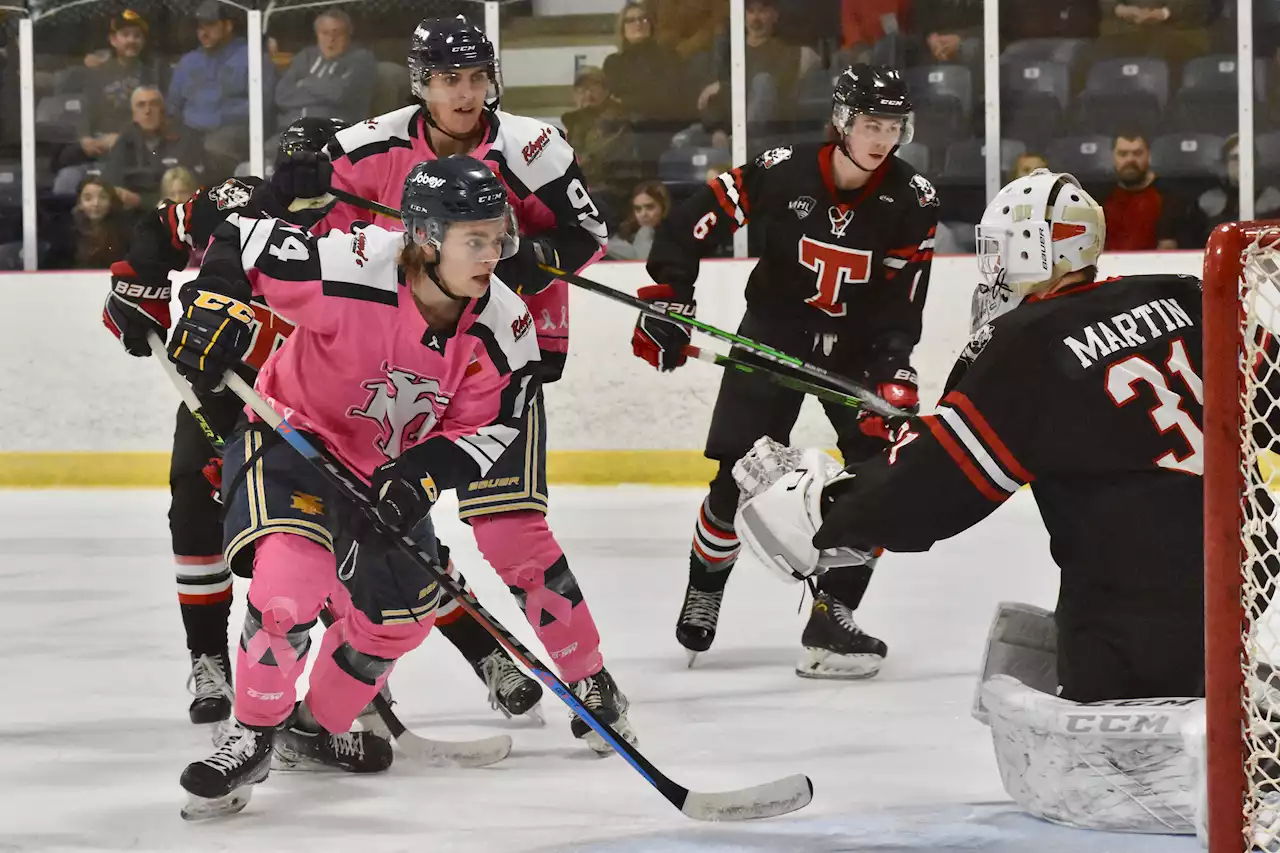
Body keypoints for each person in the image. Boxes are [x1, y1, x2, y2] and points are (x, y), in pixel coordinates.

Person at [733, 168, 1207, 833]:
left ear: (1045, 249)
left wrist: (830, 502)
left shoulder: (1030, 340)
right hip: (1252, 596)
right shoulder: (1186, 293)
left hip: (1134, 630)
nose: (993, 268)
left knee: (1091, 735)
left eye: (1006, 248)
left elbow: (935, 492)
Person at [285, 15, 636, 747]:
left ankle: (590, 676)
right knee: (364, 530)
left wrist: (515, 258)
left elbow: (588, 235)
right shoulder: (368, 148)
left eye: (477, 77)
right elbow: (312, 241)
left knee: (511, 529)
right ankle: (364, 679)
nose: (467, 93)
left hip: (488, 358)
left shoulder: (532, 148)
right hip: (380, 371)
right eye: (450, 79)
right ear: (422, 84)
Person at [167, 155, 539, 819]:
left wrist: (422, 474)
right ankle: (251, 732)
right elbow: (246, 237)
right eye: (474, 240)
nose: (492, 254)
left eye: (497, 236)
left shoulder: (503, 327)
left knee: (398, 622)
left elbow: (492, 429)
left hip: (384, 477)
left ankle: (311, 727)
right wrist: (218, 297)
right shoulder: (355, 261)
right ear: (426, 237)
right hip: (292, 441)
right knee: (288, 590)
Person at [634, 64, 938, 677]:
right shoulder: (782, 171)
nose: (882, 138)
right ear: (844, 121)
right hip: (775, 334)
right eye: (871, 123)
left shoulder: (912, 200)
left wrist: (893, 366)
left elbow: (904, 300)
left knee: (882, 477)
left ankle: (834, 616)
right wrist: (669, 297)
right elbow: (692, 220)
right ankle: (706, 588)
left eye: (893, 126)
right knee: (734, 479)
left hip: (855, 348)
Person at [102, 116, 349, 725]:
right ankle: (210, 658)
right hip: (225, 383)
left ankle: (350, 661)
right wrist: (135, 292)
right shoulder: (238, 201)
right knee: (193, 501)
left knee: (338, 527)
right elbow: (159, 232)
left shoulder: (365, 226)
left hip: (318, 398)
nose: (310, 180)